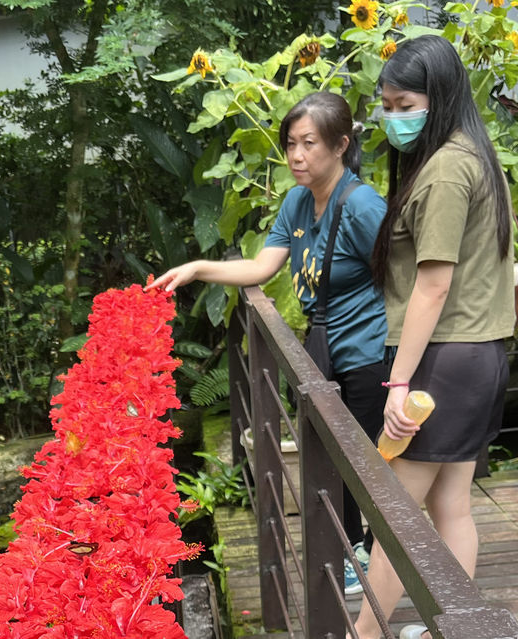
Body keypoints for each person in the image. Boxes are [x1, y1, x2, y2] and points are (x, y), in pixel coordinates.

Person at [147, 91, 388, 595]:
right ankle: (351, 552)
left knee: (362, 464)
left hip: (368, 354)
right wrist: (196, 268)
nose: (296, 156)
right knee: (330, 457)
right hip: (323, 351)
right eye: (290, 144)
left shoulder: (363, 205)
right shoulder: (299, 199)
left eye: (309, 144)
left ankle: (368, 556)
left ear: (341, 145)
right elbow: (263, 266)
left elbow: (401, 278)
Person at [351, 35, 515, 639]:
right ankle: (457, 625)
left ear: (438, 97)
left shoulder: (447, 167)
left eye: (404, 104)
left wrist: (397, 381)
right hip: (477, 356)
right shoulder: (472, 152)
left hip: (444, 360)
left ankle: (362, 634)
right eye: (386, 105)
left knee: (395, 519)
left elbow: (433, 287)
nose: (392, 118)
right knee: (449, 506)